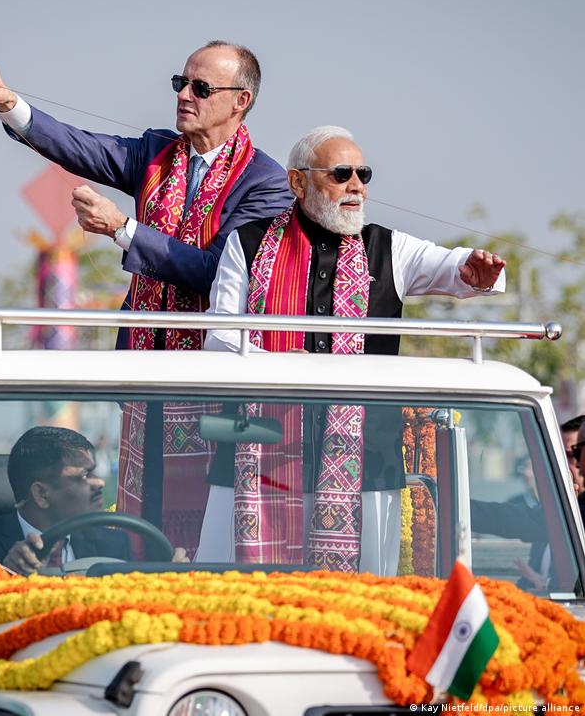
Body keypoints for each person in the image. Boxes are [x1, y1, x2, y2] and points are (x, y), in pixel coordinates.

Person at [199, 125, 507, 572]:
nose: (356, 186)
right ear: (297, 182)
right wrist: (278, 366)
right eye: (341, 174)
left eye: (364, 174)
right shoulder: (247, 243)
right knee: (240, 597)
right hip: (255, 464)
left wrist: (474, 273)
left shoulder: (388, 247)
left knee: (358, 603)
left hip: (363, 468)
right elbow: (220, 338)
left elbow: (451, 266)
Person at [0, 41, 293, 350]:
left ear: (240, 100)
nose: (183, 95)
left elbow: (216, 273)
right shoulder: (156, 152)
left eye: (201, 88)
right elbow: (79, 146)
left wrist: (122, 229)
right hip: (136, 353)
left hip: (208, 367)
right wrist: (10, 105)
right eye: (180, 83)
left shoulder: (266, 182)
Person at [0, 426, 129, 575]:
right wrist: (6, 574)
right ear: (41, 494)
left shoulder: (113, 545)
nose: (99, 483)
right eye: (84, 476)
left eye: (93, 473)